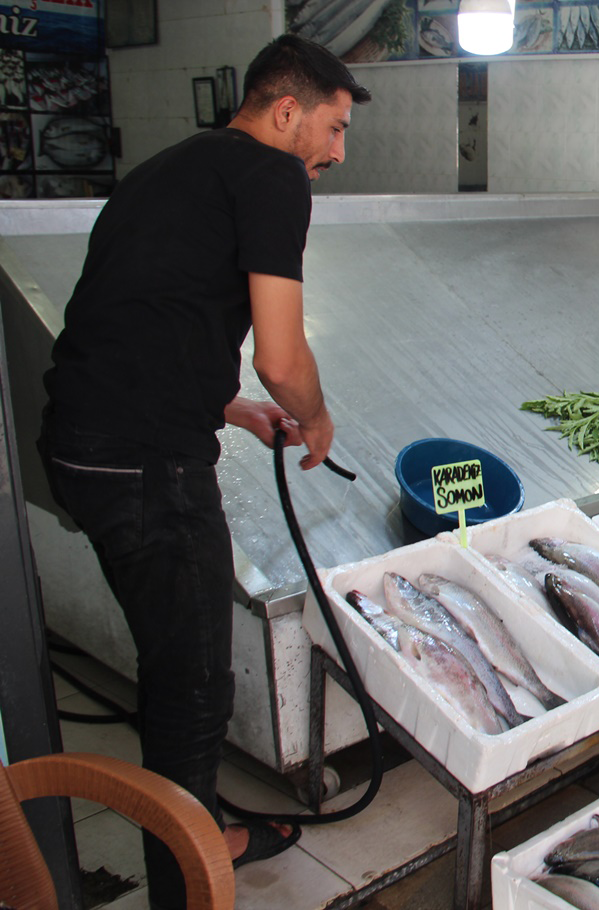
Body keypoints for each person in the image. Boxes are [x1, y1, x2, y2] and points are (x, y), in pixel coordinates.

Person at [36, 35, 370, 907]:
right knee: (191, 693)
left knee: (172, 667)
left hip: (78, 445)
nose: (338, 152)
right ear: (286, 111)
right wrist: (313, 415)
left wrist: (228, 406)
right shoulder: (273, 179)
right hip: (146, 470)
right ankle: (185, 884)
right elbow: (282, 357)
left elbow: (142, 311)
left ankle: (199, 831)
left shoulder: (168, 168)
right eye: (334, 128)